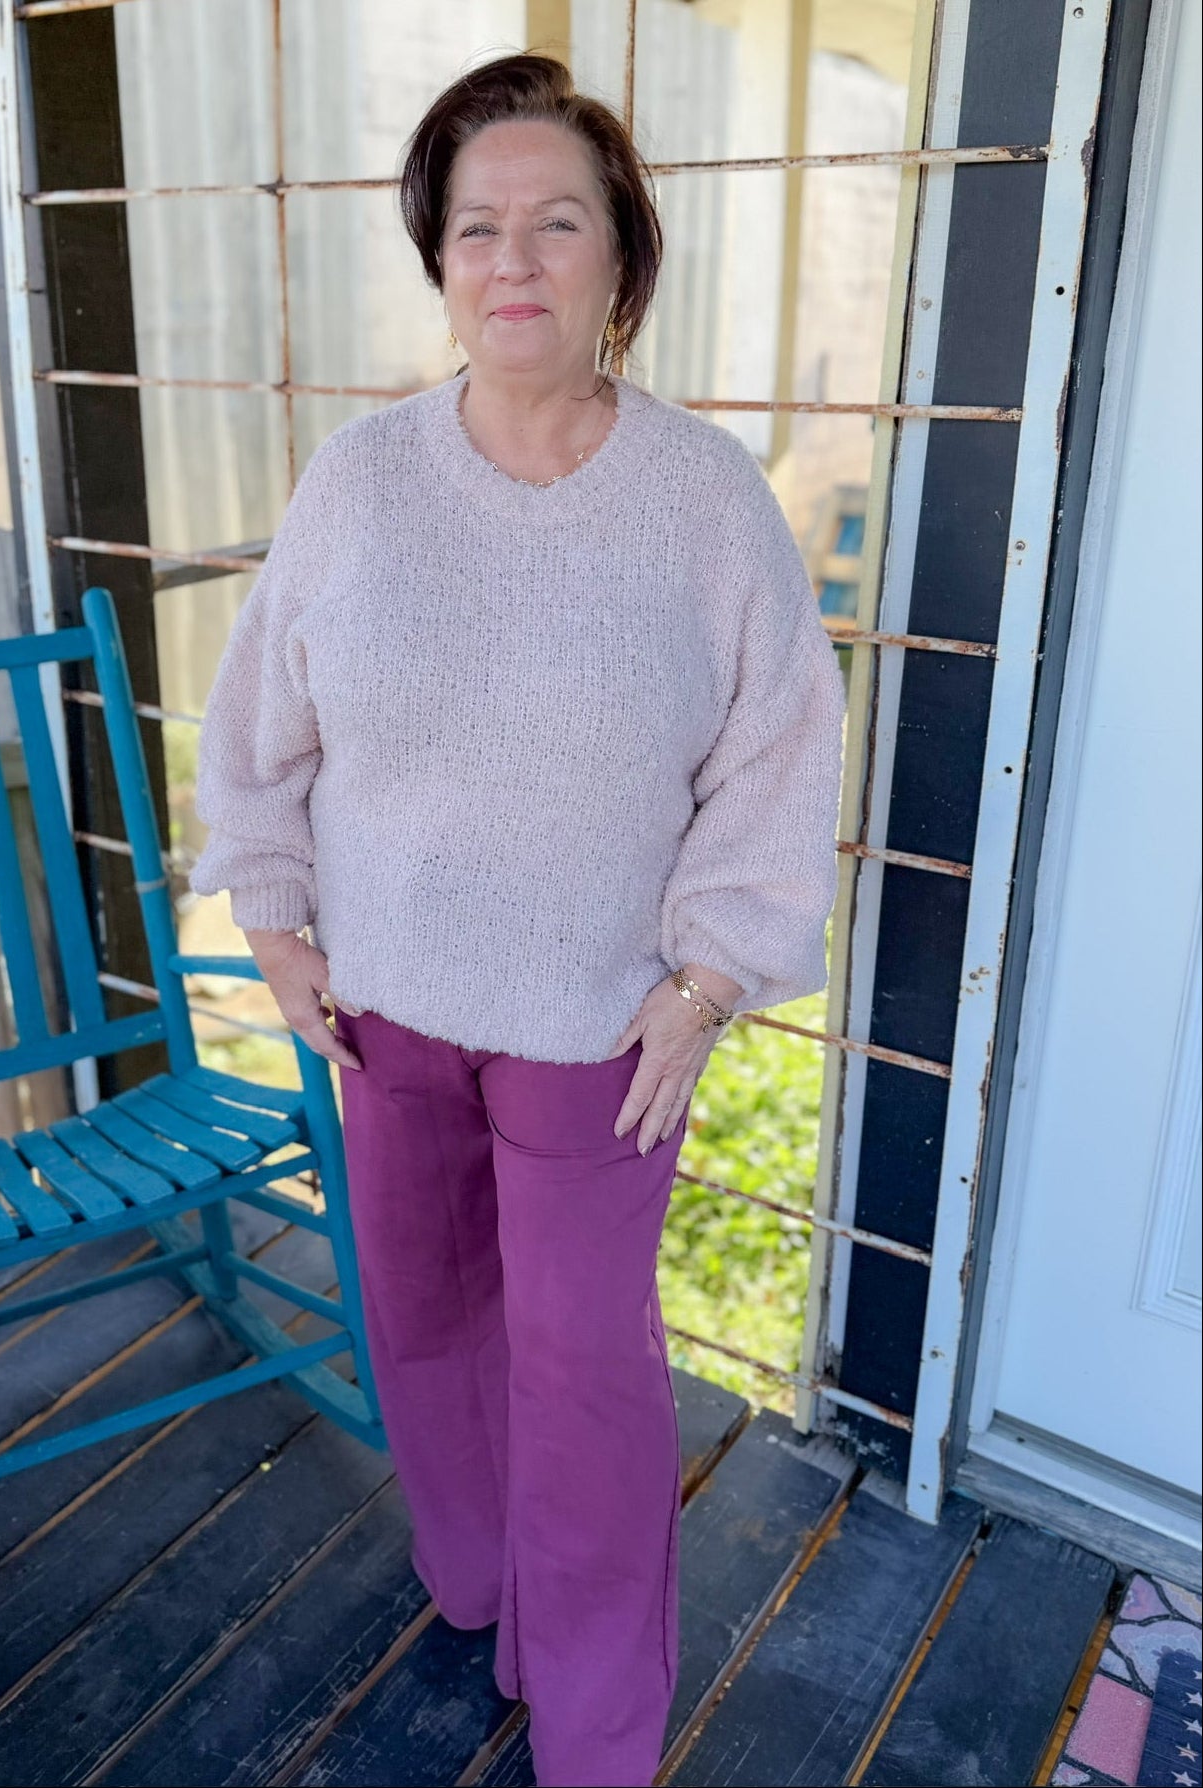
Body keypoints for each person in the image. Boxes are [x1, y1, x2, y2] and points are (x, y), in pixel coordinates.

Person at [188, 50, 845, 1788]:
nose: (513, 261)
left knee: (587, 1377)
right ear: (438, 258)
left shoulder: (704, 505)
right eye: (476, 227)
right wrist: (275, 925)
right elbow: (261, 726)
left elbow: (775, 760)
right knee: (418, 1317)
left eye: (557, 221)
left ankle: (602, 1722)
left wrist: (707, 981)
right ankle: (474, 1586)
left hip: (595, 1028)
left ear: (622, 259)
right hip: (385, 1003)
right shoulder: (360, 482)